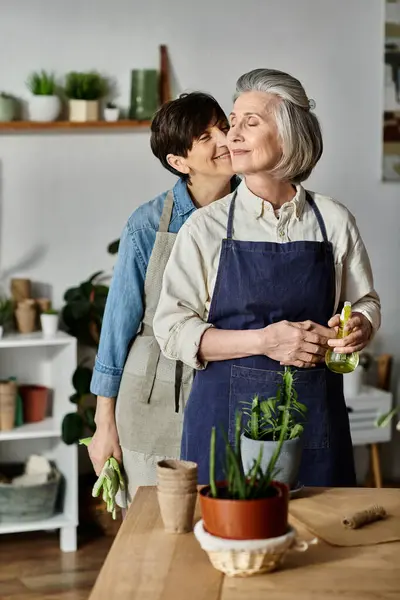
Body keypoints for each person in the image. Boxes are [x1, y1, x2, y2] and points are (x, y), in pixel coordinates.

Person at [153, 69, 381, 487]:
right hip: (221, 426)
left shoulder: (333, 221)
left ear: (290, 134)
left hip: (313, 420)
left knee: (324, 545)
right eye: (232, 122)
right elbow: (171, 330)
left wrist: (359, 326)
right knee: (228, 544)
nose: (231, 135)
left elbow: (365, 301)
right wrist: (263, 341)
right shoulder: (206, 228)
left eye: (250, 122)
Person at [88, 92, 239, 505]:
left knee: (229, 517)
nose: (223, 140)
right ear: (179, 162)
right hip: (153, 394)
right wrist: (104, 424)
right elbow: (118, 327)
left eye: (223, 128)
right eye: (205, 136)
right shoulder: (149, 223)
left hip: (235, 385)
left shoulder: (258, 210)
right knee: (154, 525)